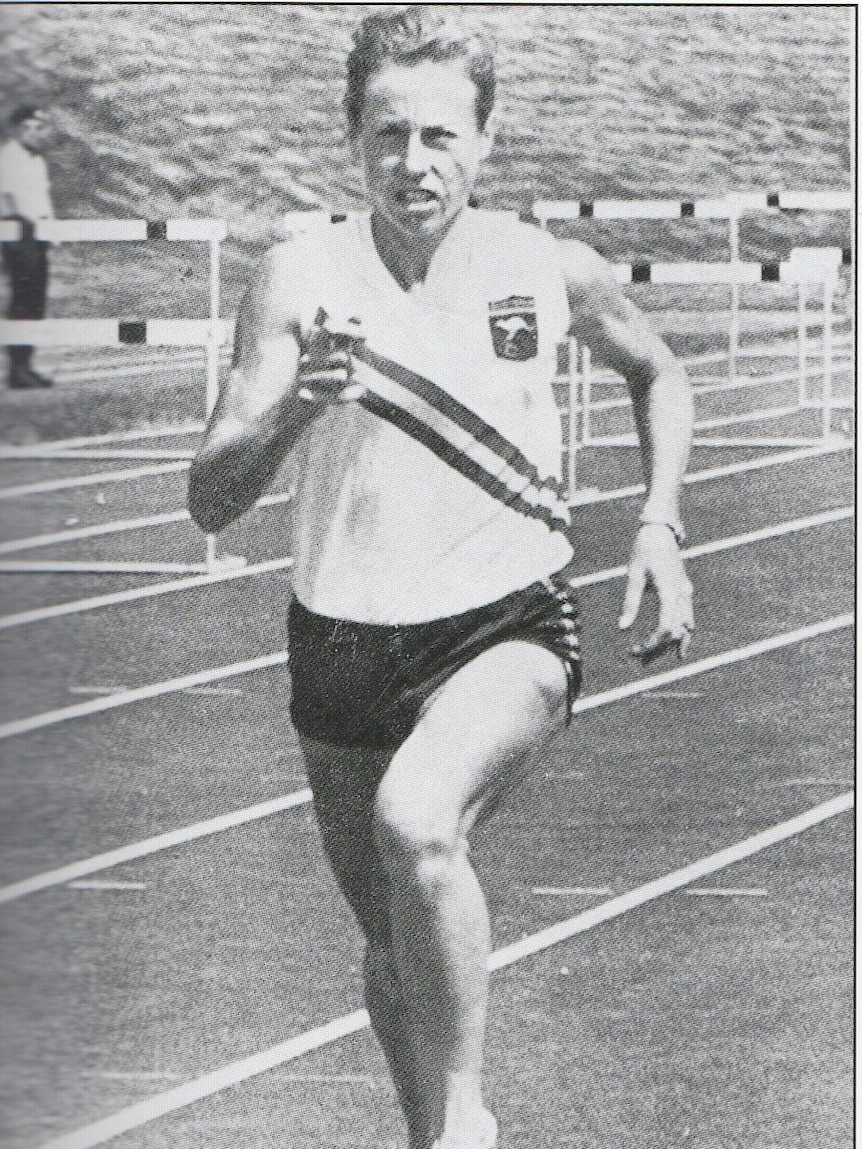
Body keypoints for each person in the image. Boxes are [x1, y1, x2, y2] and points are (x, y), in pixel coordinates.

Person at [189, 8, 694, 1147]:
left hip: (503, 626)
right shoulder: (295, 278)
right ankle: (432, 1135)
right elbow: (210, 497)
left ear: (486, 138)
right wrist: (291, 409)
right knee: (390, 945)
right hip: (339, 643)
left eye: (439, 137)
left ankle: (467, 1124)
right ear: (352, 138)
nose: (413, 164)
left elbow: (659, 371)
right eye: (386, 135)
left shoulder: (546, 267)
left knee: (416, 822)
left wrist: (658, 525)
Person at [0, 104, 55, 388]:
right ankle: (17, 368)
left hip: (39, 236)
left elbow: (43, 202)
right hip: (19, 234)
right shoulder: (9, 157)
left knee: (36, 300)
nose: (41, 133)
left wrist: (50, 231)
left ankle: (26, 365)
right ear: (22, 128)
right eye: (37, 127)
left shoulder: (37, 160)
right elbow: (12, 202)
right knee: (23, 300)